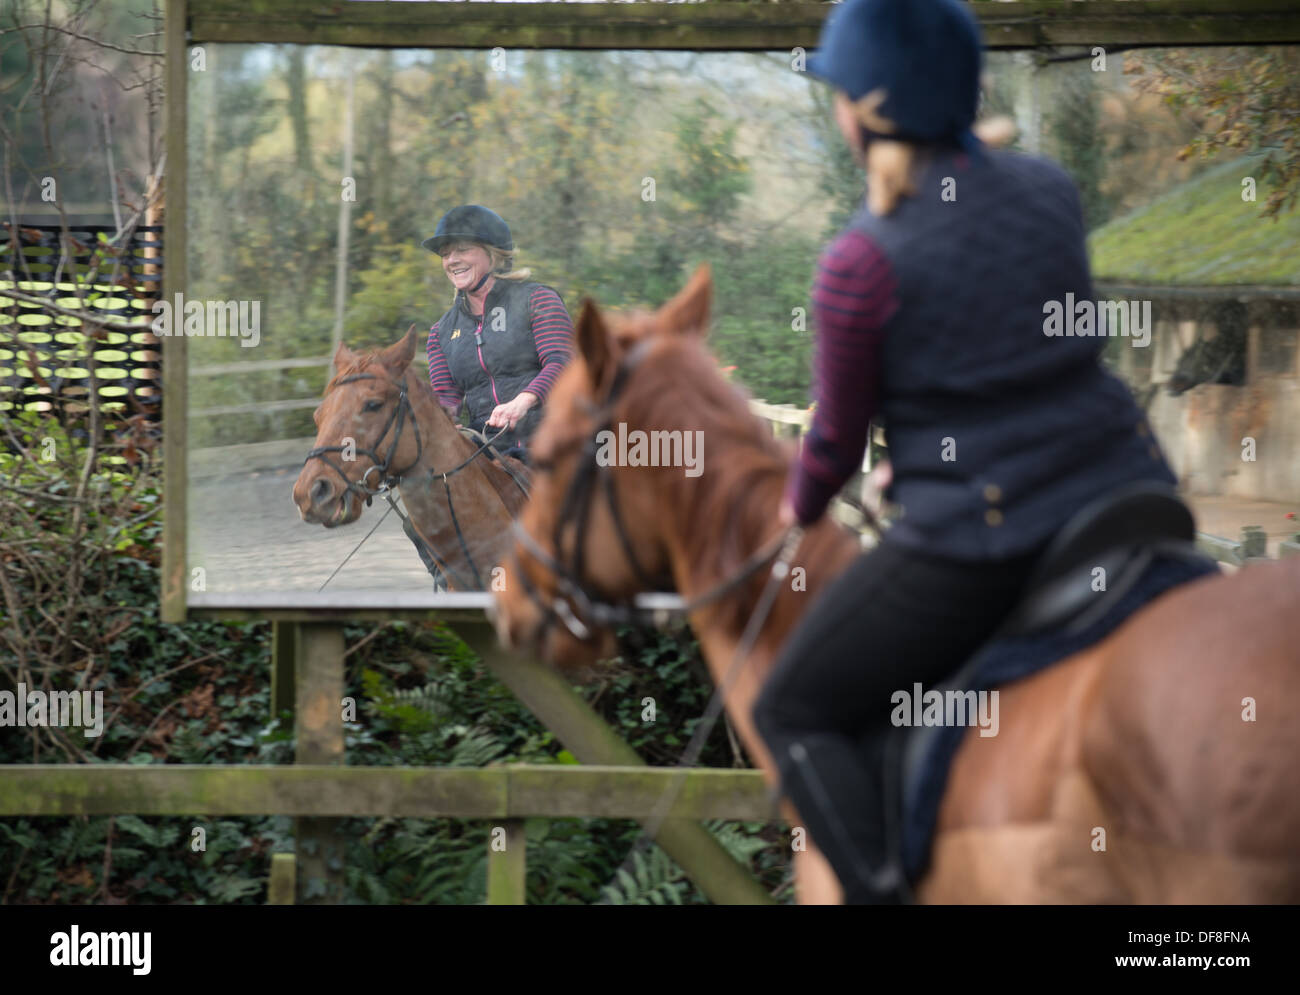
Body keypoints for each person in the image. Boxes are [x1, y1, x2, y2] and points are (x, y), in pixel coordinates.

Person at [751, 0, 1180, 903]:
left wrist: (794, 512)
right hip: (1127, 492)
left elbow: (832, 443)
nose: (833, 109)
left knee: (792, 708)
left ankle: (879, 890)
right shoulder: (1049, 188)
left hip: (989, 533)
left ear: (870, 108)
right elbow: (1018, 358)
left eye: (838, 92)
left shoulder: (859, 262)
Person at [423, 205, 574, 462]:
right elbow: (446, 399)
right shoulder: (441, 333)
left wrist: (523, 402)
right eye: (445, 255)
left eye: (462, 250)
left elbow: (562, 363)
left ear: (493, 254)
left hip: (552, 440)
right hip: (488, 451)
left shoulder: (537, 300)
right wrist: (439, 424)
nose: (451, 260)